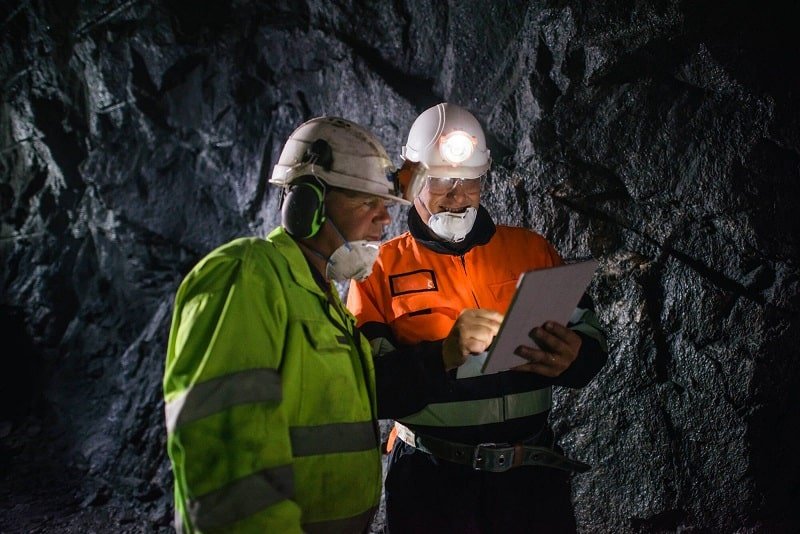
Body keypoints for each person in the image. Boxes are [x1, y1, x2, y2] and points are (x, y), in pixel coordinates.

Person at [347, 103, 609, 533]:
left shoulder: (531, 250)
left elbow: (592, 344)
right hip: (429, 486)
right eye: (441, 180)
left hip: (530, 484)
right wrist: (443, 355)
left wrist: (576, 356)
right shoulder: (377, 269)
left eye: (469, 181)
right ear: (412, 181)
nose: (457, 195)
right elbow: (366, 389)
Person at [162, 116, 412, 533]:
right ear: (308, 205)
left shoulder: (322, 300)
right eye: (367, 202)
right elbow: (226, 454)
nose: (384, 219)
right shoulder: (248, 275)